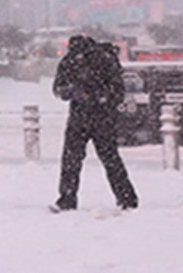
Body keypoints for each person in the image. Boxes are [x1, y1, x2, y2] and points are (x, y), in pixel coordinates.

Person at [51, 34, 138, 212]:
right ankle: (127, 198)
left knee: (75, 161)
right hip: (93, 117)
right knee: (108, 160)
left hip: (91, 117)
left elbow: (116, 91)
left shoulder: (99, 60)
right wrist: (71, 92)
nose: (79, 59)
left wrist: (90, 96)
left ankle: (67, 199)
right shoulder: (74, 60)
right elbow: (58, 88)